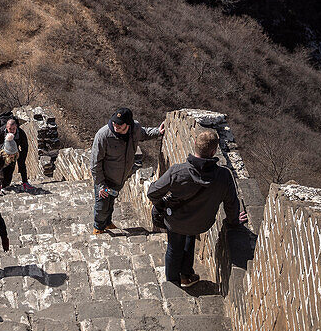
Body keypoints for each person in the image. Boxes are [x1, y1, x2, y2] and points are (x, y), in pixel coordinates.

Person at [147, 127, 248, 287]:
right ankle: (186, 275)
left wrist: (161, 206)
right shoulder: (223, 176)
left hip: (176, 221)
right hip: (201, 222)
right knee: (189, 235)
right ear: (214, 151)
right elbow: (231, 204)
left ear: (194, 143)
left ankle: (173, 283)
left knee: (174, 247)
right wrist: (234, 221)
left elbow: (152, 193)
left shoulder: (177, 172)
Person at [91, 106, 164, 234]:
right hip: (105, 180)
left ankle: (107, 223)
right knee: (102, 205)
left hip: (120, 178)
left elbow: (145, 133)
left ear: (128, 124)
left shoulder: (134, 129)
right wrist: (101, 185)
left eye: (119, 124)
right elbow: (95, 163)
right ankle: (98, 227)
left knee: (111, 200)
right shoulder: (103, 136)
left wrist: (158, 131)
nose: (115, 125)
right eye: (114, 122)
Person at [0, 115, 35, 193]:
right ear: (6, 127)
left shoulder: (21, 133)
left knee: (8, 178)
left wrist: (21, 158)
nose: (11, 131)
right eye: (9, 129)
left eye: (13, 129)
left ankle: (23, 182)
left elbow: (25, 147)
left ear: (16, 127)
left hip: (13, 154)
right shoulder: (1, 131)